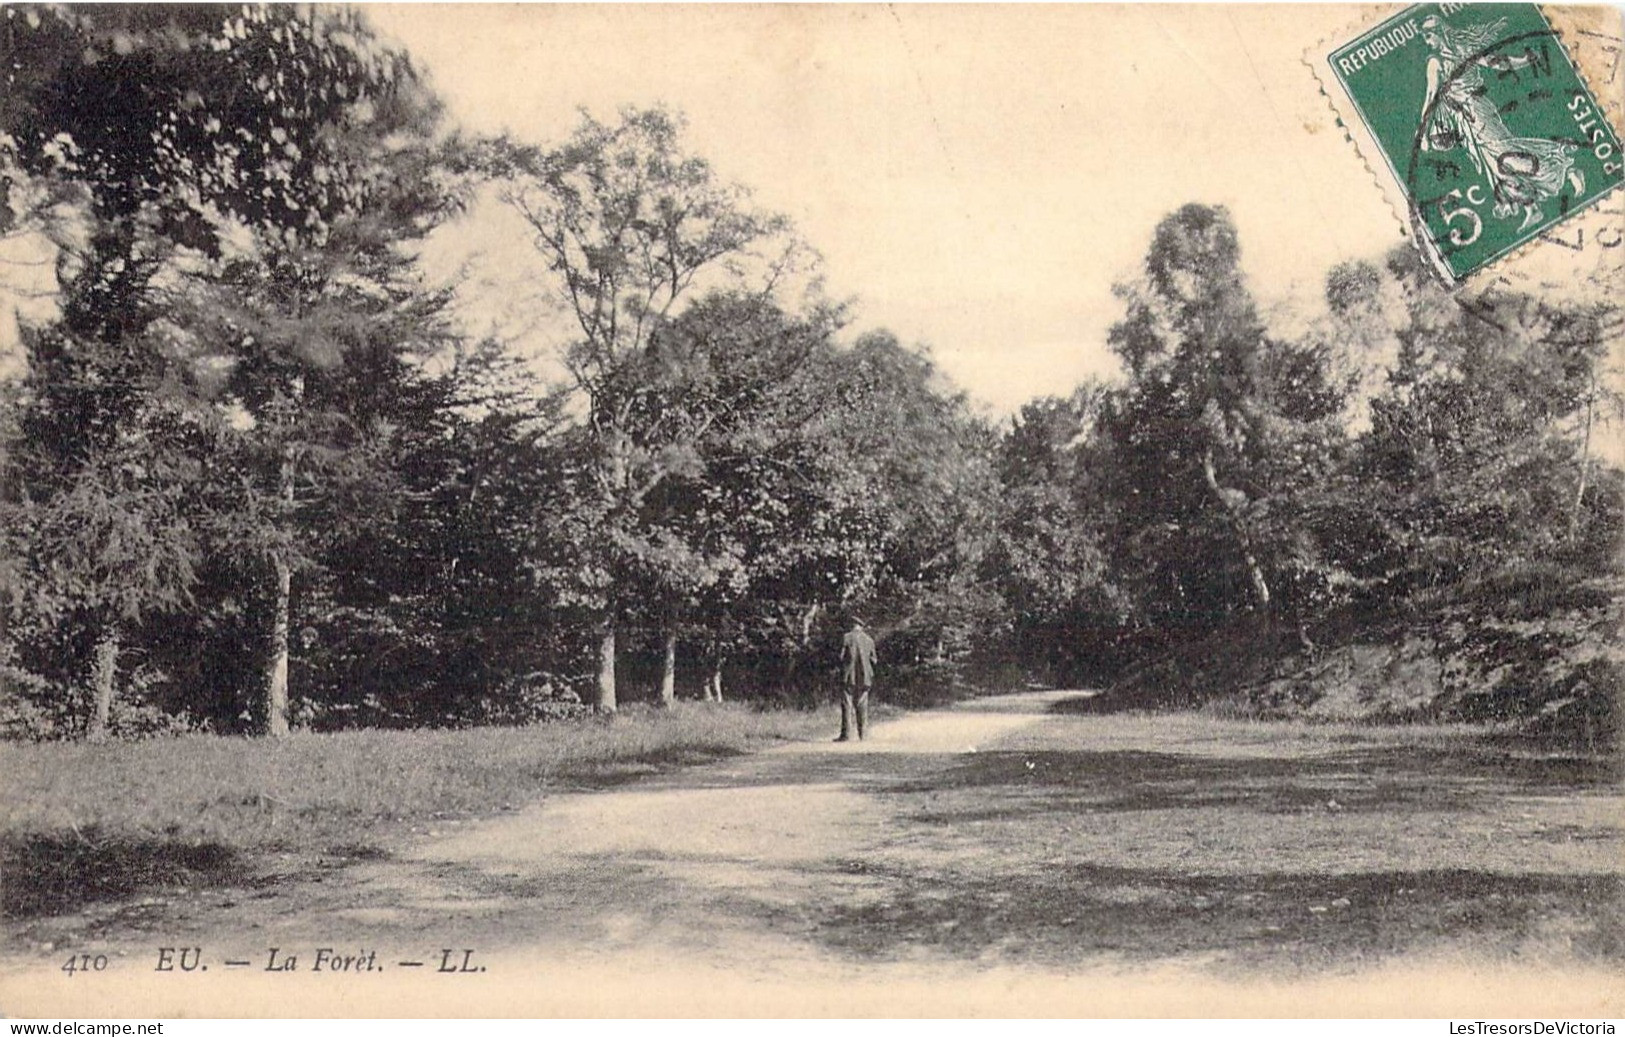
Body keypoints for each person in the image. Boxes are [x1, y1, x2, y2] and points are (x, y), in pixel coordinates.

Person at [837, 618, 876, 742]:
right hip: (865, 677)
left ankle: (846, 735)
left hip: (849, 676)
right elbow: (874, 660)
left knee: (847, 705)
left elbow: (840, 657)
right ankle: (863, 735)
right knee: (862, 705)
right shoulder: (869, 640)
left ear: (852, 625)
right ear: (861, 626)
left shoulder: (847, 637)